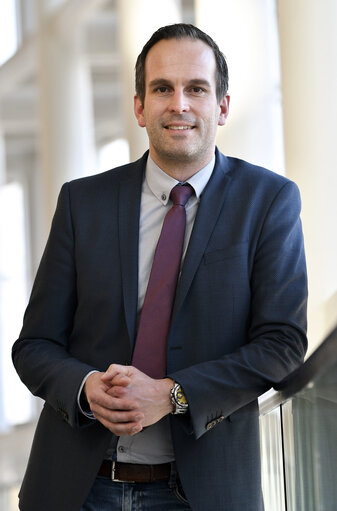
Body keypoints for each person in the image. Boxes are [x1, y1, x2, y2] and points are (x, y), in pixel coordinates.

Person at [12, 23, 308, 511]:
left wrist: (173, 395)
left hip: (200, 493)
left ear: (223, 106)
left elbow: (282, 343)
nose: (180, 104)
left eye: (196, 88)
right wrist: (84, 388)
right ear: (139, 106)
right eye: (162, 88)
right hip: (76, 489)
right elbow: (35, 345)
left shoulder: (269, 201)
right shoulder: (82, 203)